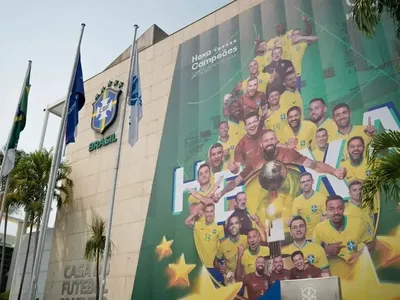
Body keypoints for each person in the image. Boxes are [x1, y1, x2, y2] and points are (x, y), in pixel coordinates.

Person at [216, 130, 346, 198]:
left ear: (277, 140)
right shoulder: (256, 162)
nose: (269, 142)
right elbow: (237, 181)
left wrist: (334, 171)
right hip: (268, 198)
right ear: (261, 144)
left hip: (291, 195)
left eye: (272, 139)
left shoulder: (289, 154)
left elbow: (314, 165)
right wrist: (221, 193)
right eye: (266, 141)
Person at [313, 195, 374, 264]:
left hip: (357, 268)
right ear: (326, 211)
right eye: (331, 209)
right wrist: (325, 251)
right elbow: (312, 254)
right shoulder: (319, 229)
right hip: (334, 270)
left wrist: (359, 253)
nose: (336, 212)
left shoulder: (358, 223)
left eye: (339, 208)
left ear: (344, 209)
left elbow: (371, 244)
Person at [185, 203, 224, 280]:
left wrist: (222, 263)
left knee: (217, 289)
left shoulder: (219, 228)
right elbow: (187, 222)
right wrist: (194, 214)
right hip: (203, 267)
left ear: (214, 212)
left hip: (214, 266)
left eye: (211, 211)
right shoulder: (198, 225)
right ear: (204, 213)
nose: (209, 214)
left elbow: (224, 245)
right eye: (207, 212)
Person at [290, 173, 327, 240]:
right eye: (303, 182)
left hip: (320, 237)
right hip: (304, 238)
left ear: (312, 181)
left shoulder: (322, 198)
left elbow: (327, 216)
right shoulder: (296, 200)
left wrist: (326, 218)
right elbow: (294, 219)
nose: (306, 183)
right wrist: (290, 221)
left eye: (308, 181)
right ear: (300, 185)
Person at [215, 215, 248, 285]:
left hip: (245, 281)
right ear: (228, 227)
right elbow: (215, 262)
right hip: (230, 282)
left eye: (236, 223)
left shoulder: (247, 240)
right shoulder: (223, 245)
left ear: (240, 225)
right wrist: (218, 267)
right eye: (231, 224)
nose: (233, 226)